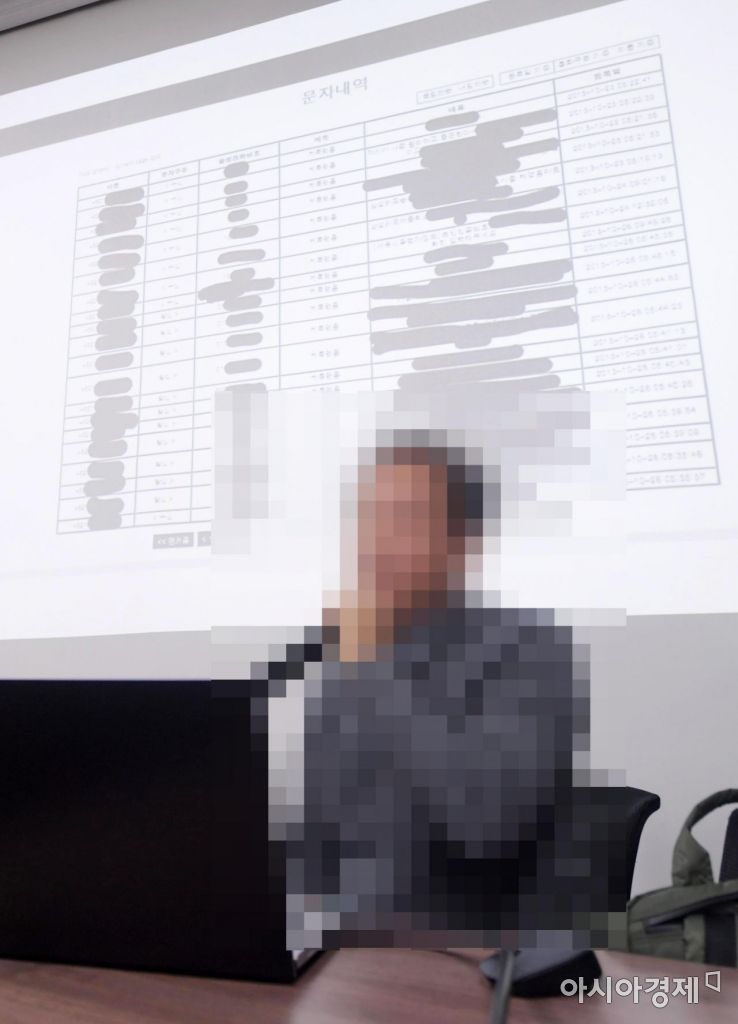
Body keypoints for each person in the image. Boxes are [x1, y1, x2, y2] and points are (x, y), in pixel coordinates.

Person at [283, 433, 586, 948]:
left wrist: (370, 667)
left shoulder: (528, 649)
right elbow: (316, 841)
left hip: (470, 951)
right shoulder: (347, 662)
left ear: (461, 542)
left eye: (401, 519)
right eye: (367, 518)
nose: (374, 542)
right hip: (342, 948)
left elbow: (487, 825)